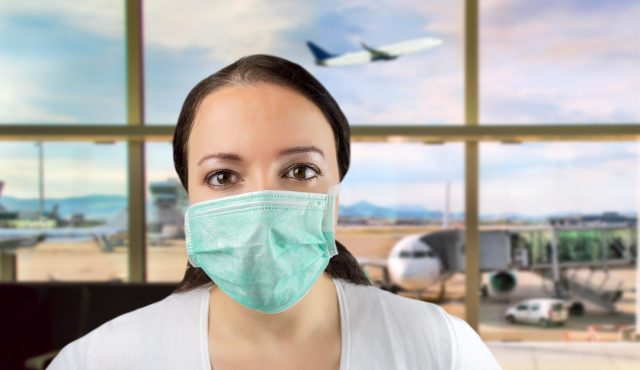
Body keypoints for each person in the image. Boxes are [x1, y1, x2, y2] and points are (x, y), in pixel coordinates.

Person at [48, 54, 501, 370]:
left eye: (300, 170)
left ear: (336, 190)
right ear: (190, 197)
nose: (263, 205)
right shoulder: (98, 360)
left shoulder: (441, 349)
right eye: (223, 176)